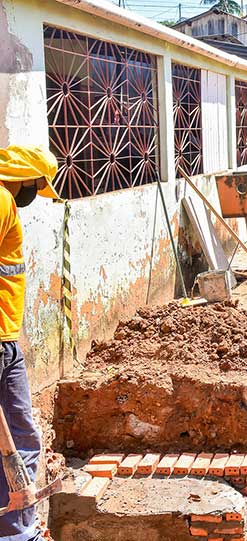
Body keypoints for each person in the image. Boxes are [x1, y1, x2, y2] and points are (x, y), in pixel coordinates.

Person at [0, 145, 60, 541]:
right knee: (20, 438)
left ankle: (17, 530)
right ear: (23, 176)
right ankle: (18, 533)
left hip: (6, 339)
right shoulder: (2, 197)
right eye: (37, 186)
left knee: (23, 435)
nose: (35, 194)